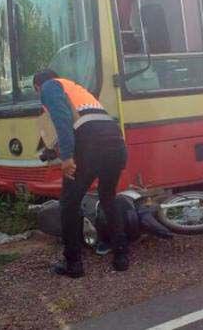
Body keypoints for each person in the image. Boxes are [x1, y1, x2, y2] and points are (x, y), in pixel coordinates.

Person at [33, 69, 129, 278]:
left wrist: (67, 157)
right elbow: (85, 123)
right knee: (108, 198)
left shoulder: (49, 87)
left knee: (69, 204)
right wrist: (57, 148)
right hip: (117, 146)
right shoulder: (77, 89)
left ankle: (73, 264)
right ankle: (121, 257)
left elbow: (62, 123)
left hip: (92, 149)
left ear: (37, 86)